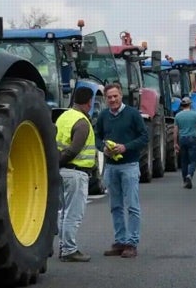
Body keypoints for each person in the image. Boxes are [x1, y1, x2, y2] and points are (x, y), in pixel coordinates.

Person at [95, 82, 148, 258]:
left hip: (130, 166)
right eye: (109, 97)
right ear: (105, 99)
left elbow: (144, 137)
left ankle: (132, 243)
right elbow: (97, 135)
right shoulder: (103, 116)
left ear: (121, 96)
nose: (112, 100)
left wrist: (125, 147)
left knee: (132, 206)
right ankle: (120, 241)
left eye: (115, 96)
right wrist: (102, 147)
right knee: (115, 206)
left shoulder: (132, 114)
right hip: (111, 167)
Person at [55, 86, 96, 262]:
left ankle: (64, 248)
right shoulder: (82, 122)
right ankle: (69, 250)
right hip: (76, 172)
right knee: (73, 214)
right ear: (89, 103)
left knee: (64, 213)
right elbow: (73, 150)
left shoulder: (63, 117)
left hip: (62, 172)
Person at [174, 96, 196, 189]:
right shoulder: (195, 115)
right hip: (192, 138)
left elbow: (175, 131)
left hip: (182, 139)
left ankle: (184, 181)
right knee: (193, 160)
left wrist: (175, 143)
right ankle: (189, 175)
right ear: (190, 104)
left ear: (182, 105)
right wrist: (194, 130)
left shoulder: (178, 116)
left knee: (184, 161)